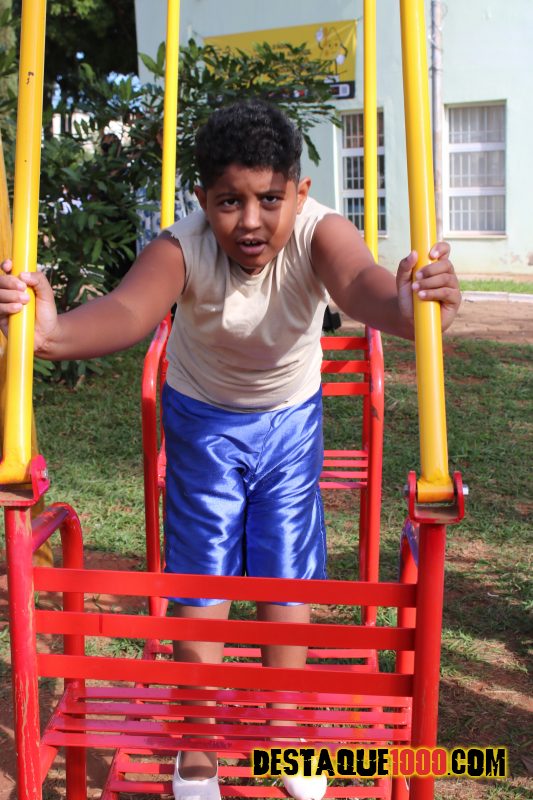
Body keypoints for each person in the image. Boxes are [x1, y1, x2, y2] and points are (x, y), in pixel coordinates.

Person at [0, 100, 461, 800]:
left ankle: (286, 734)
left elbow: (359, 283)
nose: (250, 221)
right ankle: (196, 743)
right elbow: (128, 309)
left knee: (287, 576)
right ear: (202, 199)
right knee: (202, 578)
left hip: (290, 423)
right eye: (228, 202)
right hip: (202, 423)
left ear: (299, 193)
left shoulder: (318, 233)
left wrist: (405, 307)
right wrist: (53, 334)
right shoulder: (181, 247)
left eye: (269, 199)